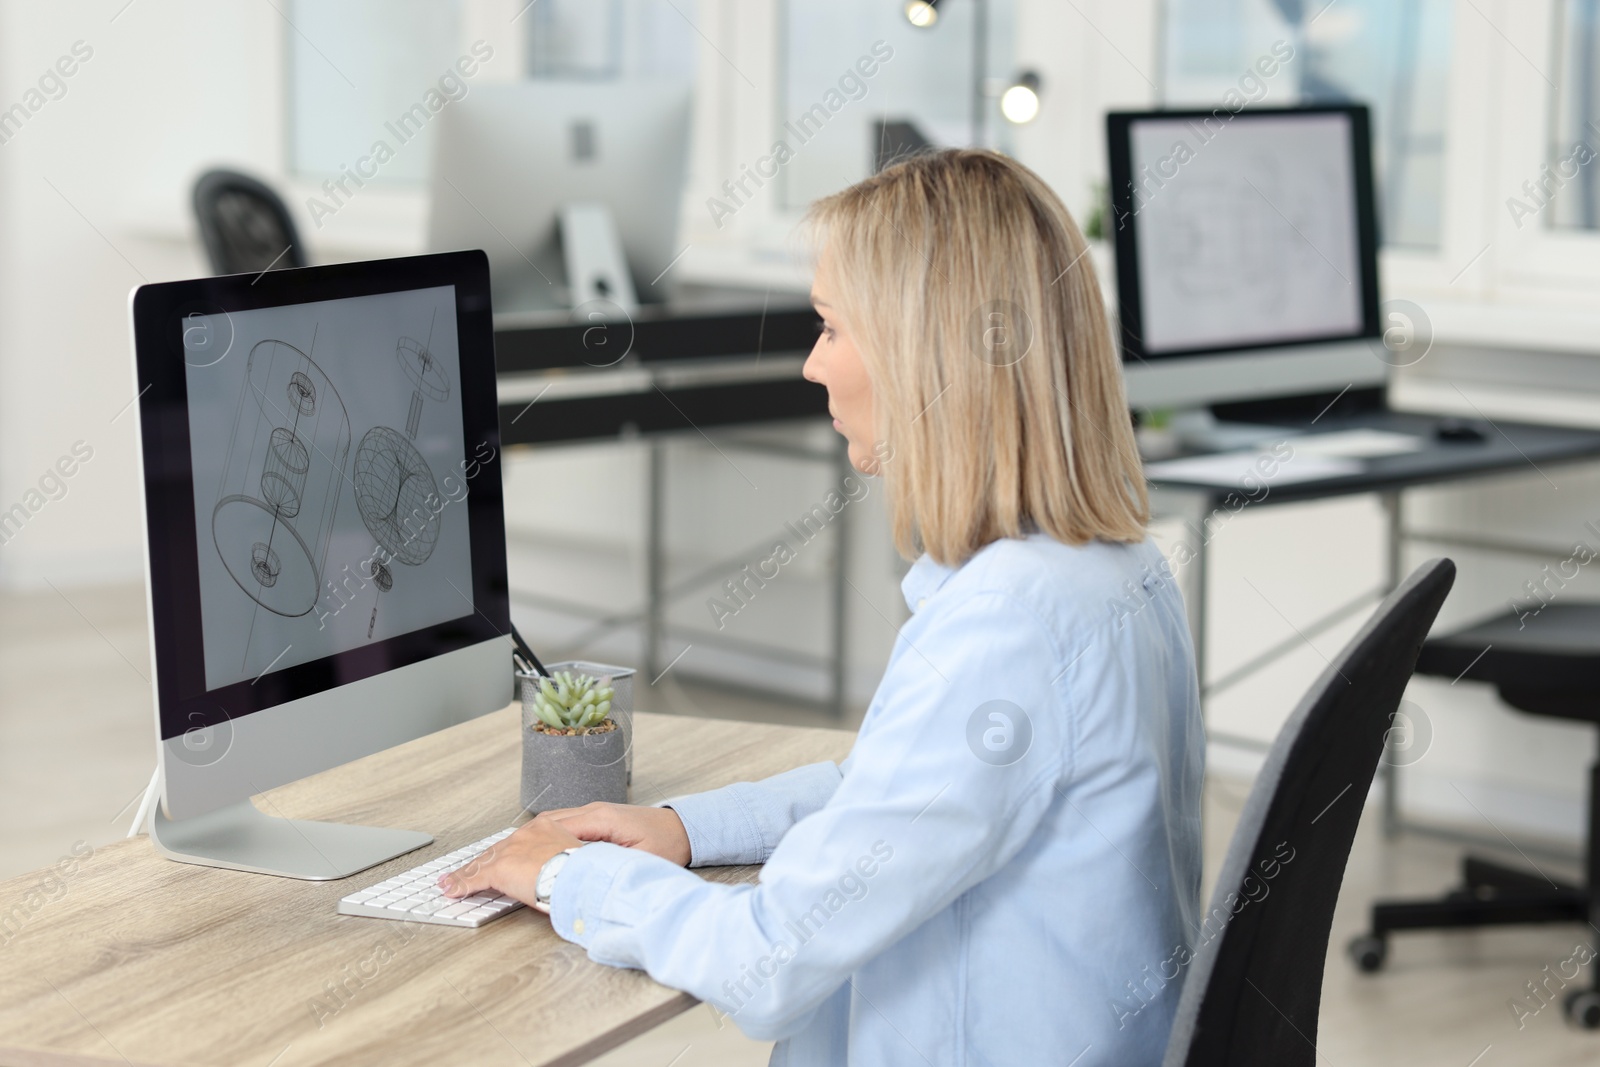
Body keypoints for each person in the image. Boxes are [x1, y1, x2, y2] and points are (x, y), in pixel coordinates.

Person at [443, 149, 1203, 1065]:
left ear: (923, 356)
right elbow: (890, 797)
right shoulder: (1112, 572)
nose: (812, 367)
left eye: (831, 329)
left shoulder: (1010, 626)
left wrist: (564, 875)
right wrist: (688, 830)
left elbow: (768, 959)